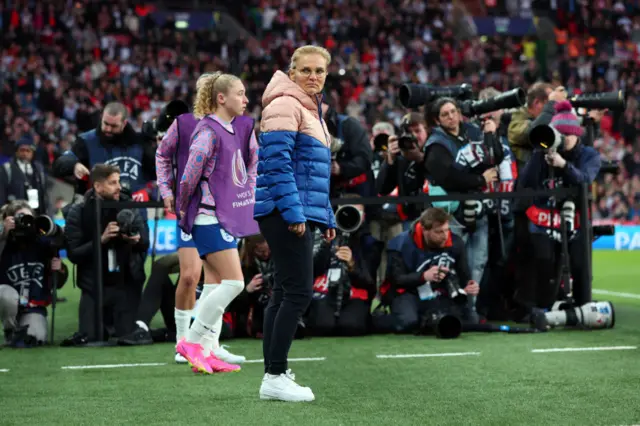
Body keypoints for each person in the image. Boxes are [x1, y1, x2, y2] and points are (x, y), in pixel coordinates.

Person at [254, 45, 337, 402]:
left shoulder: (309, 108)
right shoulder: (286, 104)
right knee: (298, 291)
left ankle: (275, 370)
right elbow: (277, 165)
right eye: (306, 70)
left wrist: (326, 214)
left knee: (286, 291)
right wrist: (293, 213)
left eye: (319, 71)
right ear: (292, 71)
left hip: (295, 208)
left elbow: (312, 174)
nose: (313, 76)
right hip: (285, 210)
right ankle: (274, 376)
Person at [175, 72, 259, 374]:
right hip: (208, 217)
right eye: (240, 93)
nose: (246, 99)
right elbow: (187, 177)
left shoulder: (230, 130)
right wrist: (184, 210)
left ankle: (207, 351)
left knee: (215, 286)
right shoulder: (208, 131)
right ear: (221, 98)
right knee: (234, 283)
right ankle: (191, 341)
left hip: (222, 216)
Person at [155, 83, 224, 364]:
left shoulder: (233, 124)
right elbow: (162, 155)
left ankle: (211, 345)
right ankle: (182, 342)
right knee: (189, 276)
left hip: (222, 209)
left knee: (219, 280)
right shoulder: (183, 123)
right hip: (191, 208)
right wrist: (167, 191)